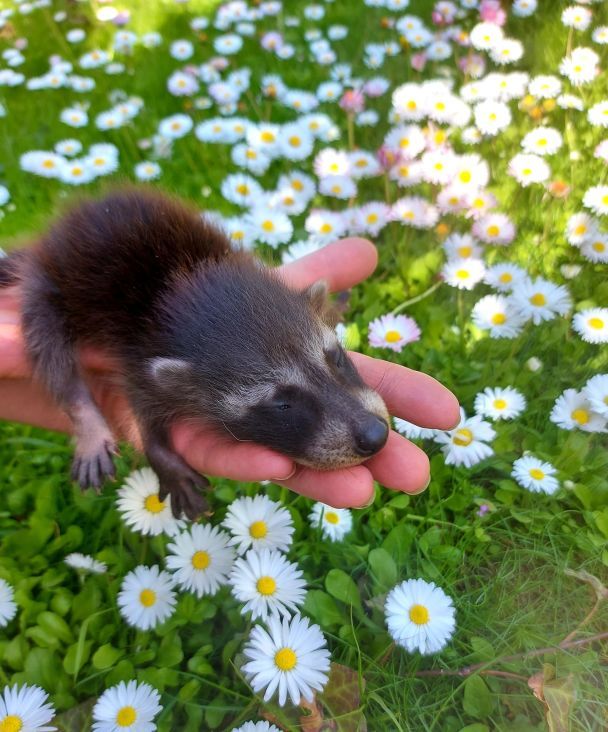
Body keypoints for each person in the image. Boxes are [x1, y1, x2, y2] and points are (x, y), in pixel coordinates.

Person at [0, 236, 459, 508]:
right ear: (183, 386)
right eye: (282, 403)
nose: (366, 425)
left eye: (335, 359)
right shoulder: (164, 378)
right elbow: (148, 402)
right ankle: (85, 424)